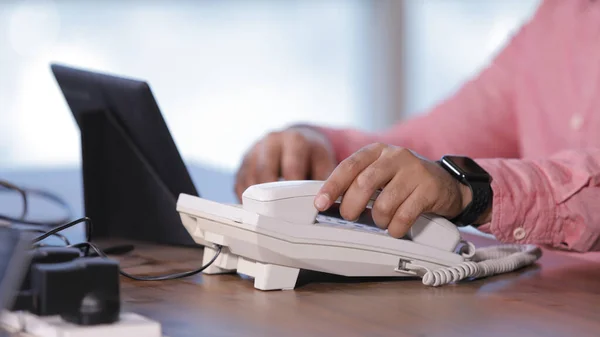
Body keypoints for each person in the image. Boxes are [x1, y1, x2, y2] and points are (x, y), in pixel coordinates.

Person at [234, 0, 600, 253]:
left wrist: (470, 192)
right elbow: (425, 145)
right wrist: (319, 146)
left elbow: (452, 176)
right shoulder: (560, 16)